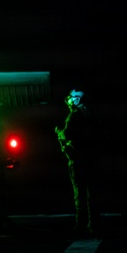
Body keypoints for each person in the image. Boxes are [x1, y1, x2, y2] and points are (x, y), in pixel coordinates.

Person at [55, 89, 97, 236]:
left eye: (71, 98)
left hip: (78, 160)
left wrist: (60, 133)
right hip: (91, 159)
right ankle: (94, 225)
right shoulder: (90, 114)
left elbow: (67, 134)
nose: (69, 100)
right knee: (92, 193)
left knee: (79, 193)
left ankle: (81, 225)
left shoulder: (74, 116)